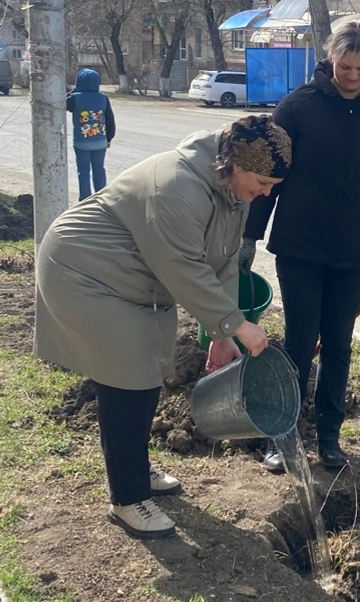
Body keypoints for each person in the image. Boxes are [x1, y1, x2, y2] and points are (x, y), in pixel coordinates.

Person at [36, 115, 292, 540]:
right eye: (263, 183)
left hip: (136, 279)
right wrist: (238, 325)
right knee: (126, 380)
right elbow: (184, 269)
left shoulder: (231, 187)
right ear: (234, 164)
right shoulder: (176, 186)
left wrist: (220, 334)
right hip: (85, 271)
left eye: (271, 185)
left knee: (149, 372)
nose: (265, 193)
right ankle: (127, 498)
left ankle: (134, 468)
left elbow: (224, 261)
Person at [243, 22, 360, 472]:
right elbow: (269, 175)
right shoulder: (298, 106)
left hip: (353, 247)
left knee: (339, 342)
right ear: (329, 58)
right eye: (345, 66)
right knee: (300, 340)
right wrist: (249, 236)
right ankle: (281, 434)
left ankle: (328, 437)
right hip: (300, 244)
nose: (353, 76)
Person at [66, 68, 116, 200]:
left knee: (83, 171)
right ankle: (101, 197)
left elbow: (63, 101)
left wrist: (75, 91)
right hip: (100, 141)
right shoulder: (103, 98)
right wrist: (109, 138)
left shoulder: (74, 99)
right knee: (99, 169)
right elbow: (110, 120)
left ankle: (85, 198)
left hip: (81, 141)